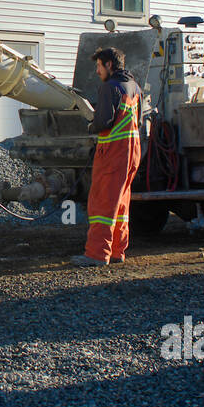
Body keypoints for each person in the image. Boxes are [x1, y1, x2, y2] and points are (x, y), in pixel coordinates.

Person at [72, 47, 141, 267]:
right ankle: (117, 250)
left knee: (102, 203)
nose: (97, 71)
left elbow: (104, 121)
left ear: (109, 65)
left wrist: (91, 126)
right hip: (132, 151)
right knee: (120, 203)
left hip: (113, 152)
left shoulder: (109, 88)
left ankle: (96, 254)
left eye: (99, 66)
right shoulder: (134, 87)